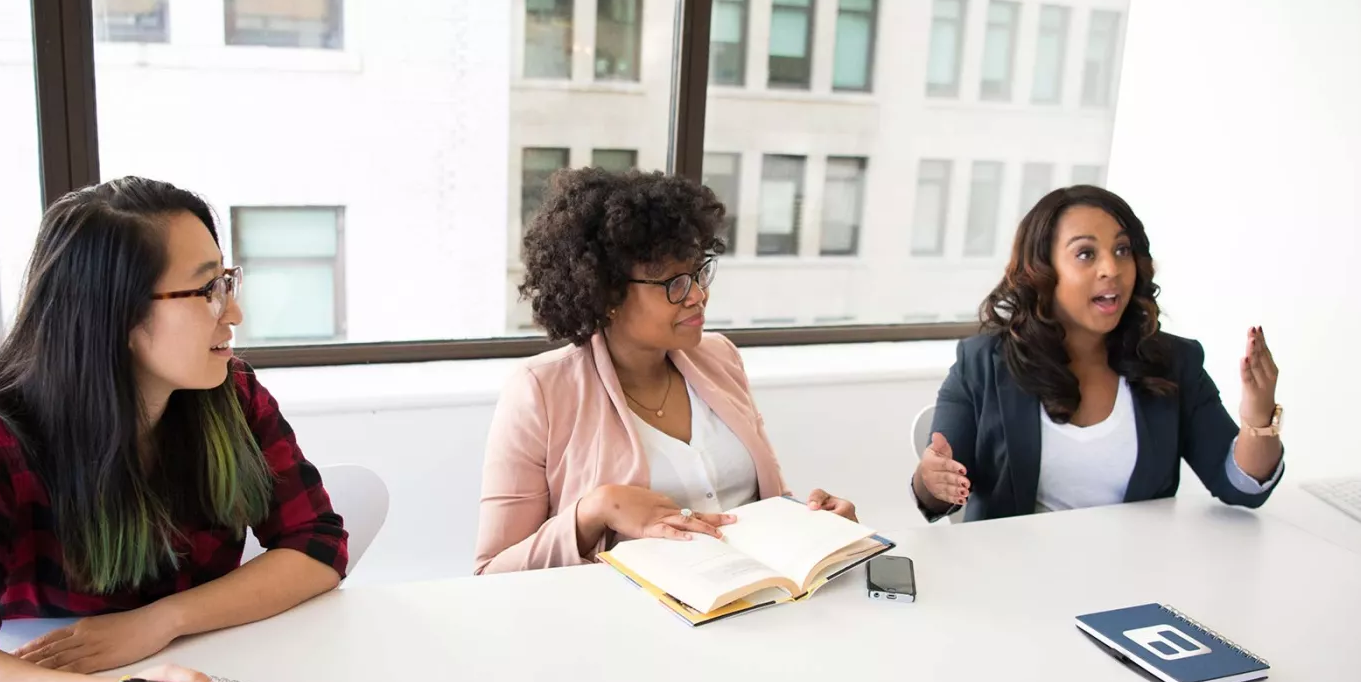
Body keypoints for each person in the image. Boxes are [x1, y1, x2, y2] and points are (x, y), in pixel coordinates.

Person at [0, 177, 348, 682]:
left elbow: (318, 545)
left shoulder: (232, 392)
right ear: (117, 315)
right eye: (206, 289)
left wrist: (161, 620)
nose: (234, 312)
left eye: (226, 281)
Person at [476, 168, 857, 573]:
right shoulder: (540, 391)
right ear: (607, 293)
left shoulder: (720, 358)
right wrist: (593, 511)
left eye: (698, 272)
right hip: (627, 623)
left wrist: (816, 524)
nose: (697, 296)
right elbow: (492, 570)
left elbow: (767, 506)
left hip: (752, 604)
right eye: (672, 282)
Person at [912, 185, 1284, 522]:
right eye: (1086, 254)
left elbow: (1240, 488)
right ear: (1043, 271)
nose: (1112, 269)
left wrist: (1258, 414)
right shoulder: (981, 363)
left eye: (1122, 250)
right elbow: (939, 492)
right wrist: (931, 479)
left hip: (1135, 575)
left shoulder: (1173, 362)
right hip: (1015, 579)